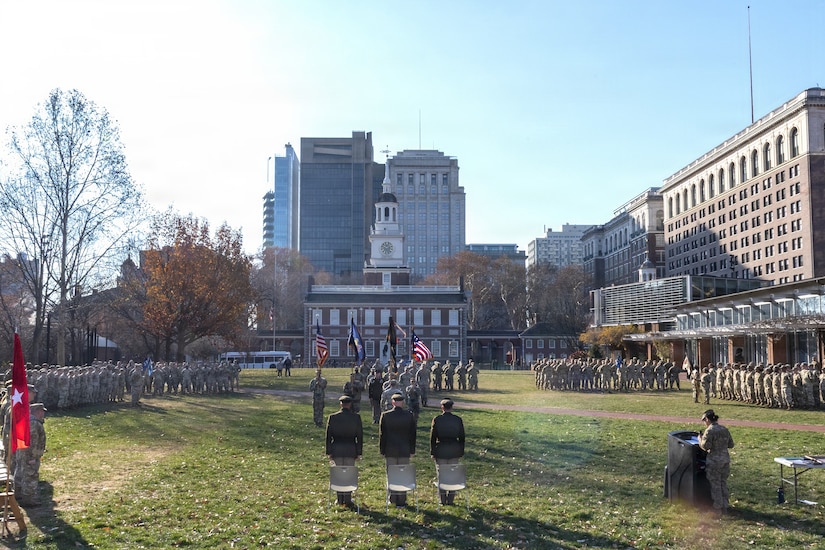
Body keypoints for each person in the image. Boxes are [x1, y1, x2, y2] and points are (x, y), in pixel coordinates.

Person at [379, 393, 416, 507]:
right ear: (402, 402)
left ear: (393, 402)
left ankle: (392, 497)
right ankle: (402, 499)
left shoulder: (385, 415)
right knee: (402, 474)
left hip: (390, 449)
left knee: (391, 474)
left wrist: (382, 450)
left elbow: (382, 435)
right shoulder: (409, 415)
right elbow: (412, 435)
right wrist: (412, 450)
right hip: (404, 449)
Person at [325, 395, 363, 506]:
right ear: (350, 404)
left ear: (340, 404)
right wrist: (359, 452)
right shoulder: (356, 418)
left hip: (337, 448)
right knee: (348, 474)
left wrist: (329, 451)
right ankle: (347, 498)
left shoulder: (333, 417)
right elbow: (359, 436)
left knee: (338, 473)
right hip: (351, 449)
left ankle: (339, 498)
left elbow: (328, 436)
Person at [429, 398, 465, 505]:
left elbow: (433, 437)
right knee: (453, 475)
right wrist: (461, 451)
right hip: (454, 449)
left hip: (441, 450)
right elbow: (462, 437)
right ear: (452, 407)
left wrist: (432, 451)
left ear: (442, 407)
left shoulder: (437, 419)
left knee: (442, 475)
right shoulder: (458, 420)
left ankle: (442, 500)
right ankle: (450, 499)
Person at [699, 409, 735, 516]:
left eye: (704, 420)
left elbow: (705, 446)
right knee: (723, 483)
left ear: (707, 419)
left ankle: (717, 508)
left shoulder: (709, 431)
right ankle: (725, 506)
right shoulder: (724, 429)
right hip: (725, 460)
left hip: (714, 461)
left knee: (715, 485)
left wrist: (700, 439)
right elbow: (731, 444)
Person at [14, 403, 47, 506]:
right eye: (42, 411)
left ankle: (18, 494)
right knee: (30, 475)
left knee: (19, 472)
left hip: (21, 451)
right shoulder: (34, 423)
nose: (43, 414)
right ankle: (29, 500)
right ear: (38, 411)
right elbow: (32, 441)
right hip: (29, 454)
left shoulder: (26, 420)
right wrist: (32, 457)